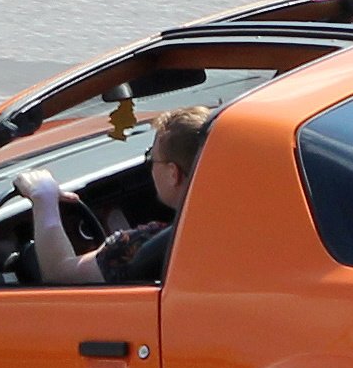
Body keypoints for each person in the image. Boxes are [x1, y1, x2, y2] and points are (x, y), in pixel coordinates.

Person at [12, 104, 211, 285]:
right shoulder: (236, 226)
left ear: (172, 174)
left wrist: (43, 196)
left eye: (152, 157)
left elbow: (60, 274)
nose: (150, 165)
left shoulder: (144, 246)